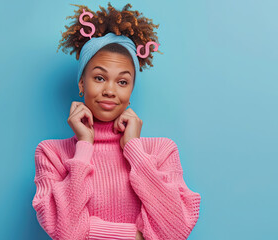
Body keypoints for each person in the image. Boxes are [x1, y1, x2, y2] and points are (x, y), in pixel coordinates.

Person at [32, 3, 201, 240]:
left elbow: (176, 230)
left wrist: (134, 149)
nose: (110, 91)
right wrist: (84, 146)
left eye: (122, 82)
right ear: (82, 84)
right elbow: (67, 233)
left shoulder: (161, 151)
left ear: (131, 89)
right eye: (99, 78)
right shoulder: (51, 153)